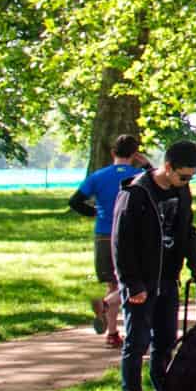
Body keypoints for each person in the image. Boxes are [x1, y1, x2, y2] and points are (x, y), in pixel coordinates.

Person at [110, 140, 196, 391]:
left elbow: (187, 229)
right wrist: (132, 284)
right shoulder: (137, 193)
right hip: (142, 281)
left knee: (165, 343)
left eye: (191, 177)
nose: (186, 182)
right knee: (136, 344)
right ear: (167, 167)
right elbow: (120, 243)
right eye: (183, 176)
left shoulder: (181, 191)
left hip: (168, 278)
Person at [70, 133, 146, 349]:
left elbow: (75, 201)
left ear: (113, 153)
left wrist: (95, 212)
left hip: (103, 234)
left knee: (112, 283)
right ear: (134, 154)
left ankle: (112, 333)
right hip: (130, 235)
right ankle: (109, 307)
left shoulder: (98, 176)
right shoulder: (140, 176)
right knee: (134, 282)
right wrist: (146, 164)